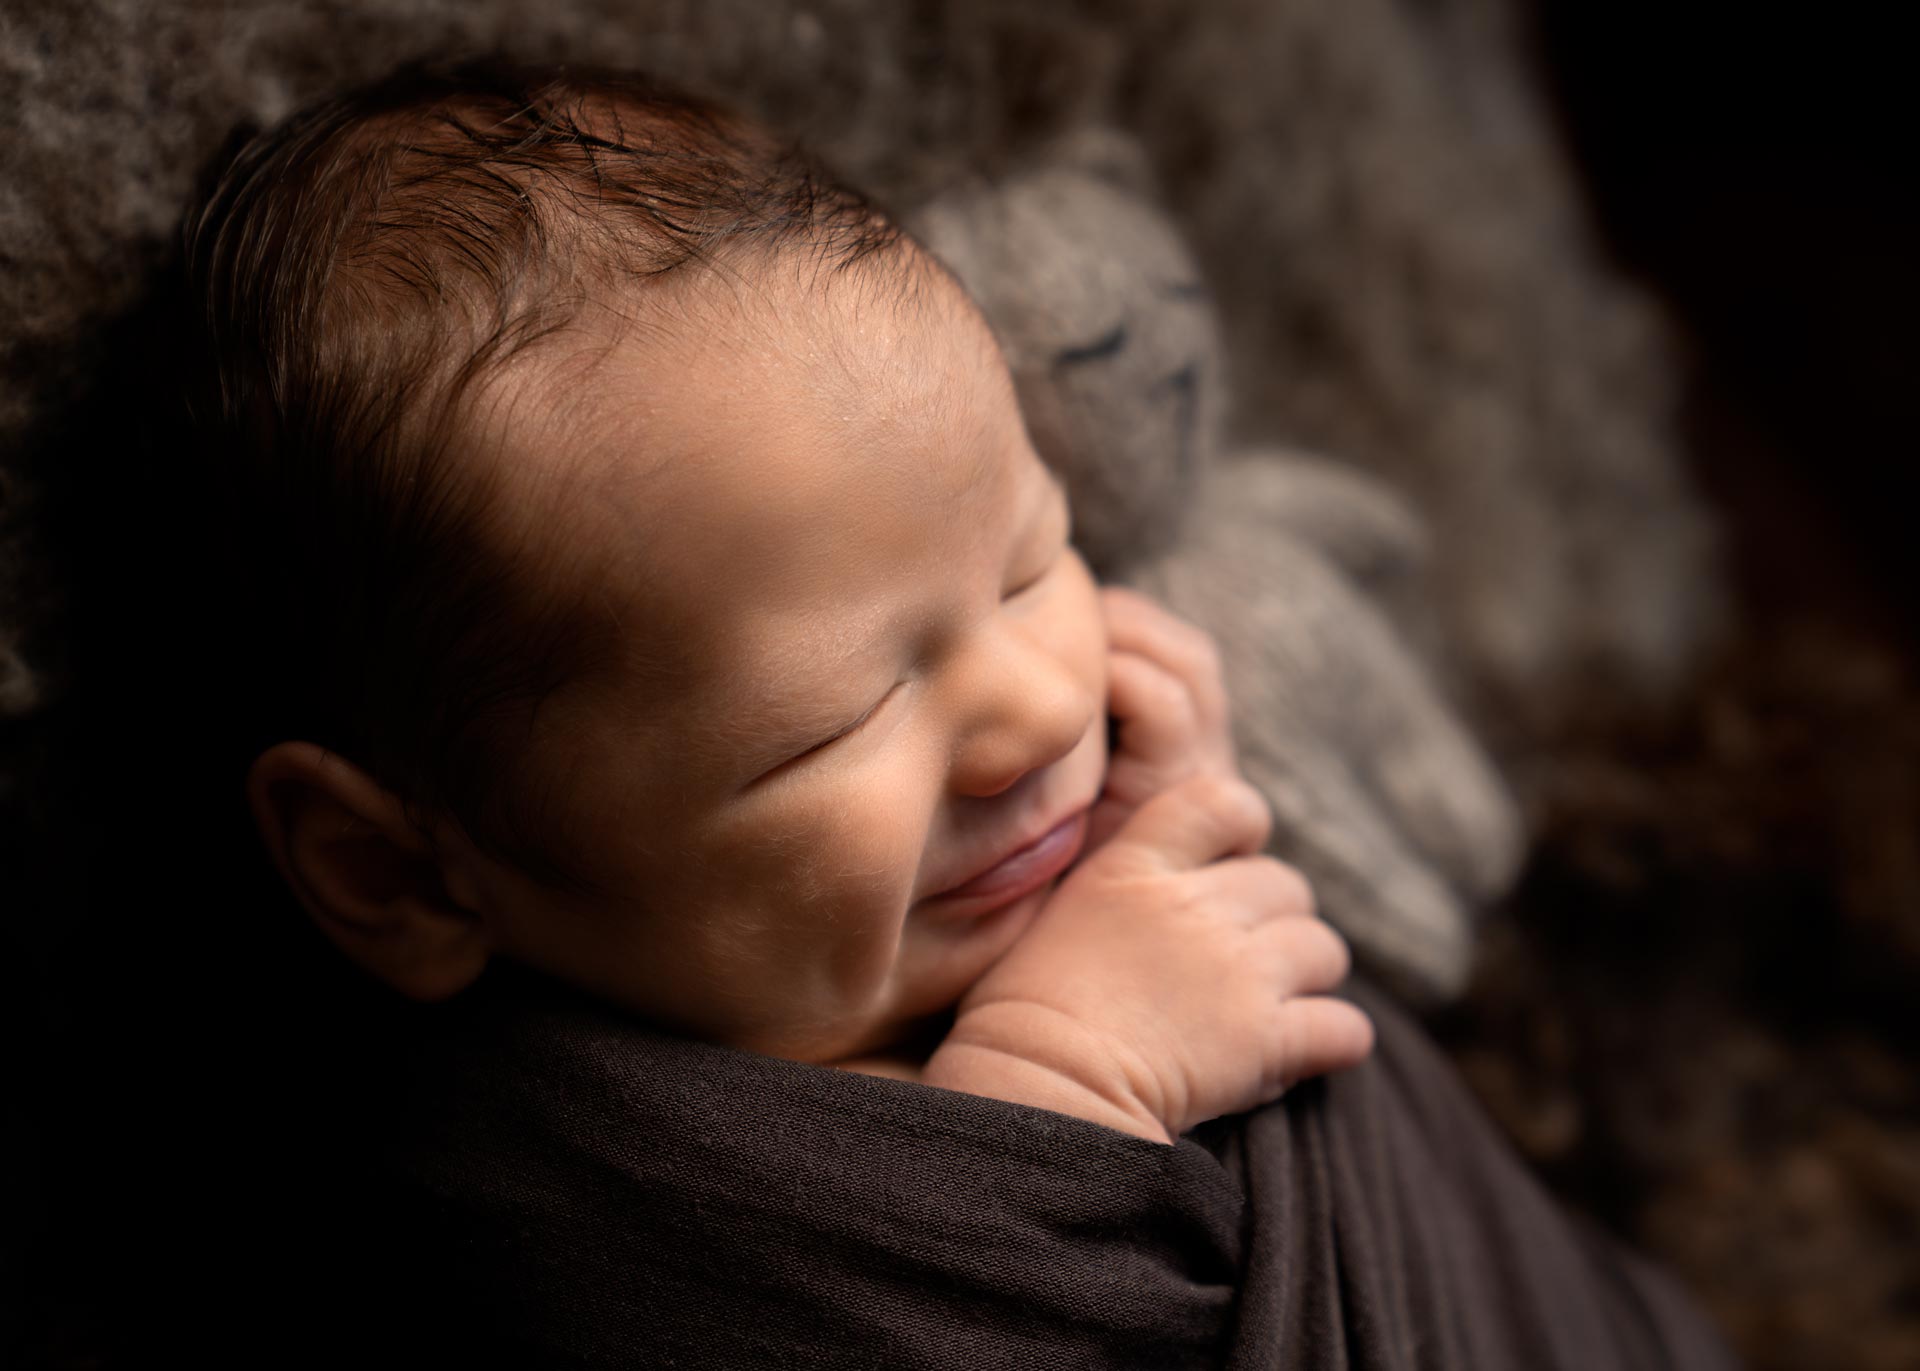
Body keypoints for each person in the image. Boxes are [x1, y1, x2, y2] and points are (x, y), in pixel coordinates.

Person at [168, 57, 1736, 1368]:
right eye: (833, 722)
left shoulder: (1001, 813)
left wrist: (1182, 820)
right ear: (405, 874)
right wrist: (1068, 1087)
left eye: (1033, 560)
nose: (1039, 710)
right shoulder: (569, 1199)